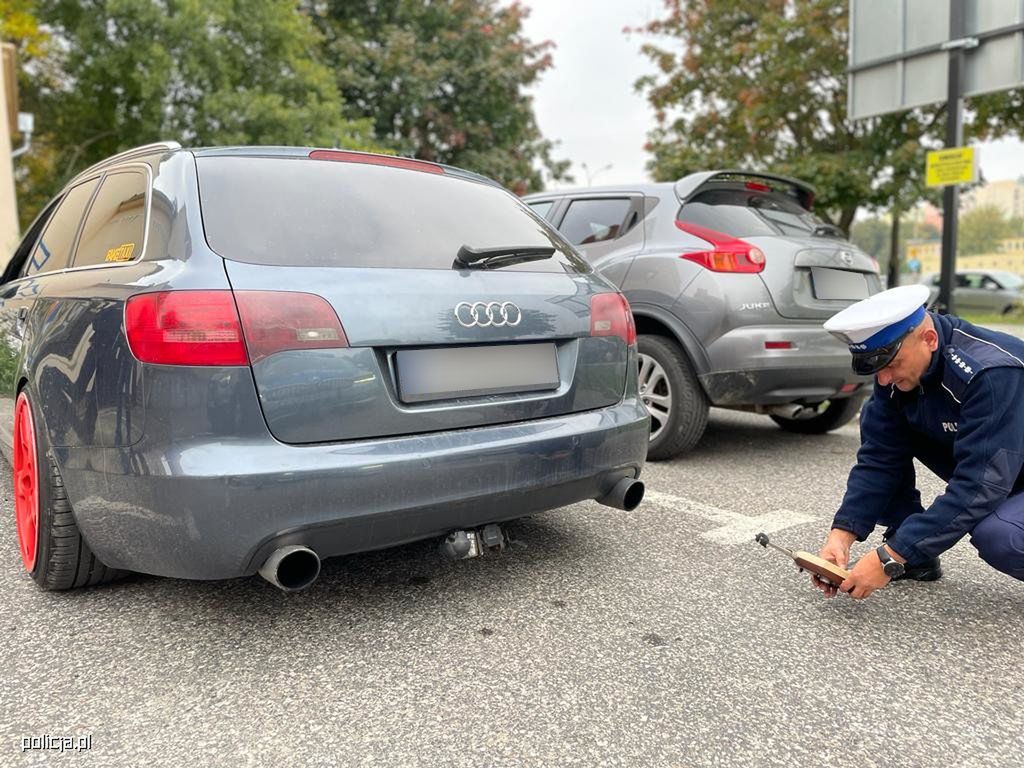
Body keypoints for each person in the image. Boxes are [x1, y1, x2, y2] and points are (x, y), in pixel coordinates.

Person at [814, 284, 1024, 599]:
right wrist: (841, 535)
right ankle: (916, 554)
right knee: (883, 429)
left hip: (1006, 475)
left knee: (1000, 535)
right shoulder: (898, 370)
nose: (883, 380)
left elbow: (980, 486)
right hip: (1007, 469)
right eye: (876, 370)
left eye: (891, 365)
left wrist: (890, 557)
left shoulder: (989, 374)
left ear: (929, 339)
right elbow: (879, 458)